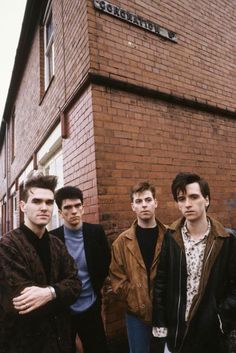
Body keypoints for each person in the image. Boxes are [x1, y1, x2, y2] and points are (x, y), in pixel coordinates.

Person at [152, 172, 236, 353]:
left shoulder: (226, 239)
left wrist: (222, 317)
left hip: (210, 332)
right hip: (177, 331)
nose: (187, 204)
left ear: (206, 200)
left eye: (194, 197)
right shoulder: (171, 237)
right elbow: (161, 282)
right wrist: (161, 326)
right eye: (181, 199)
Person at [0, 172, 81, 353]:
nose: (44, 207)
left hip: (61, 341)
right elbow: (22, 303)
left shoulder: (57, 244)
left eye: (49, 202)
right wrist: (62, 294)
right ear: (22, 206)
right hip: (24, 343)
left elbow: (76, 284)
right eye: (37, 201)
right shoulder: (7, 246)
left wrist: (50, 292)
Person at [51, 186, 111, 353]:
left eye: (78, 206)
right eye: (68, 208)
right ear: (60, 212)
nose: (74, 211)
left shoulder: (96, 232)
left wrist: (94, 288)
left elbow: (105, 263)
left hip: (91, 305)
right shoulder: (53, 238)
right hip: (65, 310)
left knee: (98, 348)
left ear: (83, 208)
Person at [109, 181, 166, 353]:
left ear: (155, 202)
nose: (144, 205)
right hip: (136, 314)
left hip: (165, 312)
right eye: (139, 201)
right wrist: (137, 301)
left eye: (148, 200)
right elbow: (117, 279)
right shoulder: (121, 242)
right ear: (133, 206)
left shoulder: (171, 237)